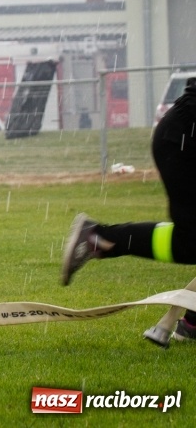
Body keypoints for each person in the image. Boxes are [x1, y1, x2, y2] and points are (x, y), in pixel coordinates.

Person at [61, 76, 196, 342]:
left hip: (181, 136)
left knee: (191, 242)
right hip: (184, 141)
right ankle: (98, 238)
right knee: (191, 242)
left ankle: (192, 321)